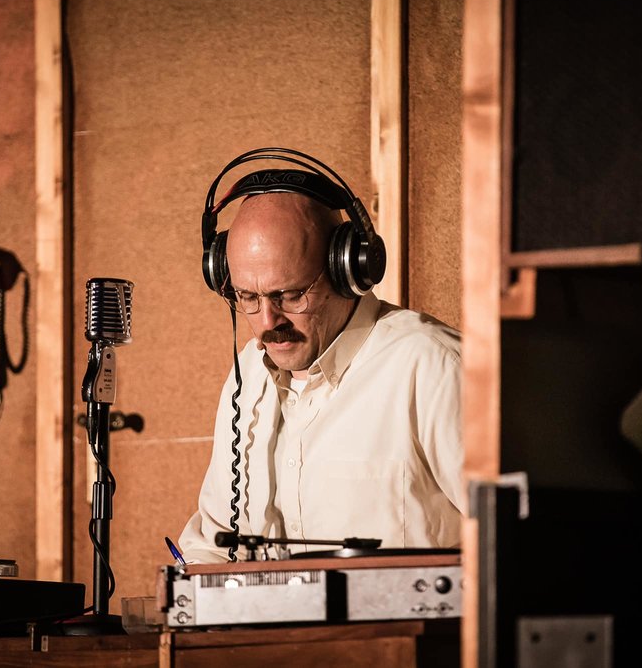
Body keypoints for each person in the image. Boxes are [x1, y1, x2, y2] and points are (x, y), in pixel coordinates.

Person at [178, 157, 464, 563]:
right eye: (247, 297)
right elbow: (211, 541)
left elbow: (528, 539)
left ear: (349, 269)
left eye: (291, 295)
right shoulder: (248, 377)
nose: (267, 322)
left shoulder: (432, 365)